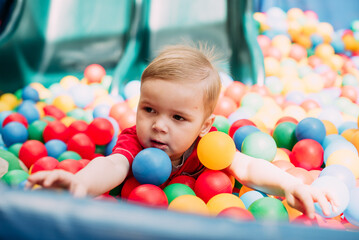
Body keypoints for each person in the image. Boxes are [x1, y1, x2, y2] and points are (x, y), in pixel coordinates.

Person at [26, 44, 335, 219]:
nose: (159, 125)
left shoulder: (210, 147)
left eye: (178, 117)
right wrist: (80, 184)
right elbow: (112, 166)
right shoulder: (134, 141)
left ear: (204, 127)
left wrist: (288, 185)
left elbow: (248, 166)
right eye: (149, 110)